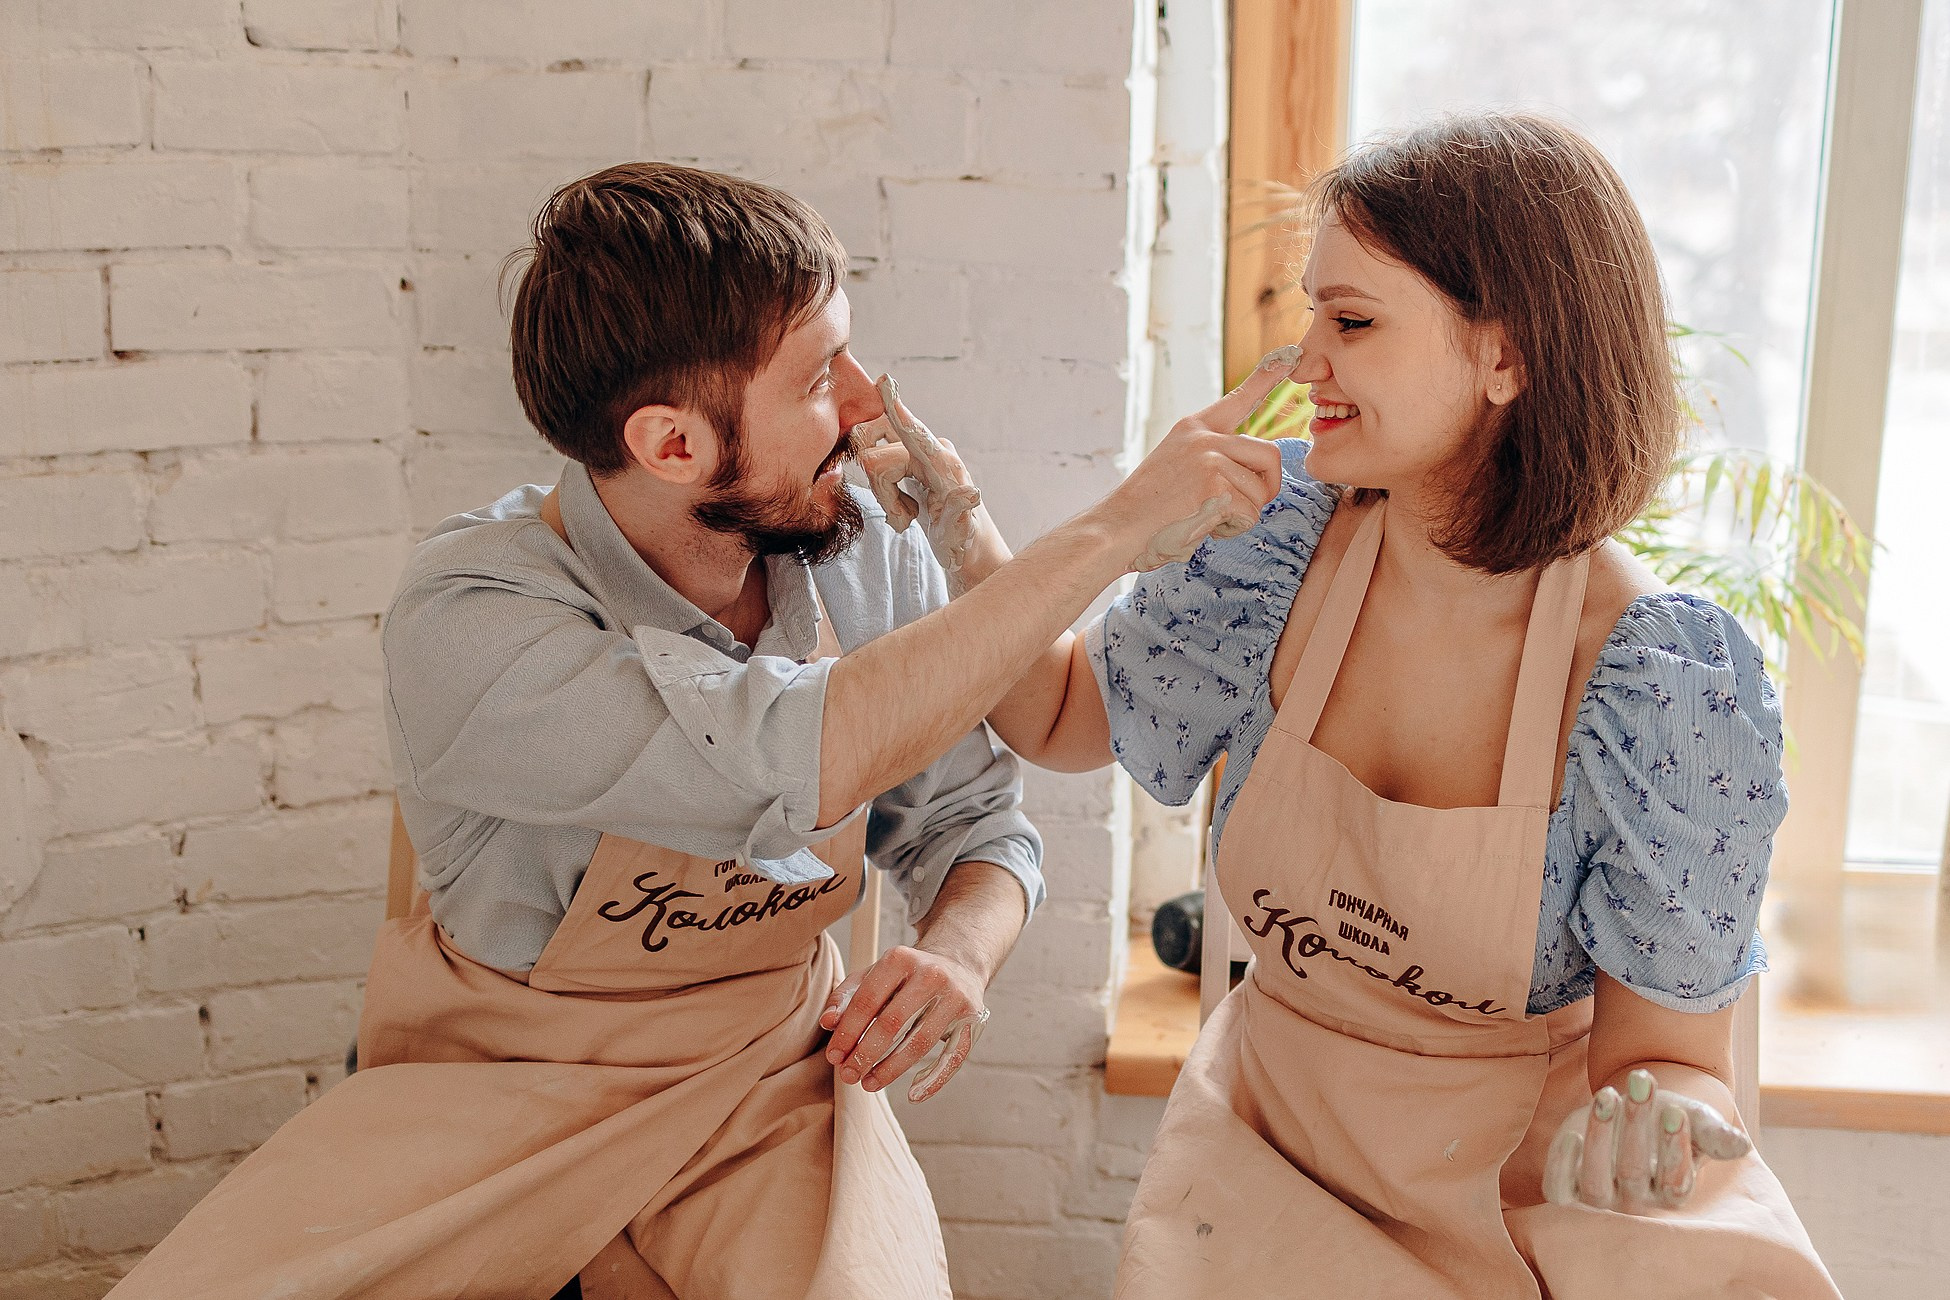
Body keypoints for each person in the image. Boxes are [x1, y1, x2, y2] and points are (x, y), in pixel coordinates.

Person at [107, 163, 1286, 1299]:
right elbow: (798, 751)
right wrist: (1119, 525)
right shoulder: (469, 613)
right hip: (501, 1086)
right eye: (823, 378)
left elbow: (982, 825)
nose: (867, 406)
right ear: (674, 444)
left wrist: (963, 953)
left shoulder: (861, 541)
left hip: (768, 1079)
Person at [896, 112, 1841, 1297]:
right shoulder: (1276, 540)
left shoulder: (1663, 683)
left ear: (1507, 356)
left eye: (1350, 322)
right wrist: (963, 517)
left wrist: (1649, 1132)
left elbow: (1663, 1059)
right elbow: (1060, 718)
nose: (1305, 363)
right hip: (1271, 1153)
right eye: (1310, 316)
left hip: (1523, 1188)